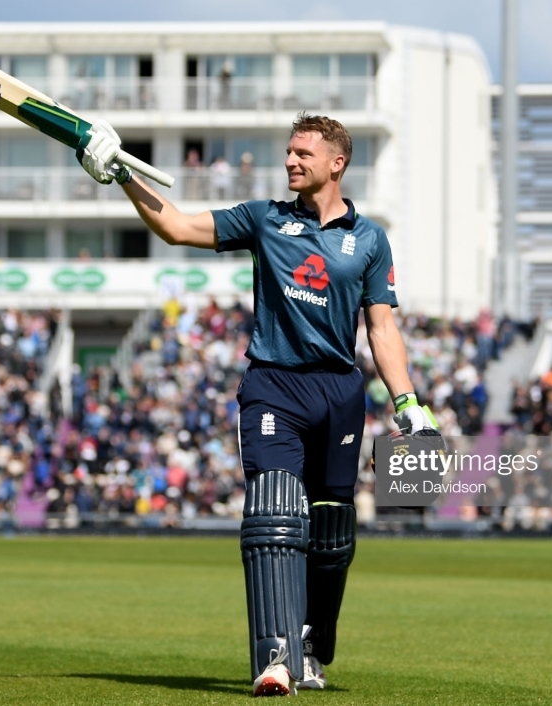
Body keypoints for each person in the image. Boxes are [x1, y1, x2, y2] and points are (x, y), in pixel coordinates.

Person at [77, 113, 440, 696]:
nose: (291, 161)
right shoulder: (264, 218)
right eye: (289, 152)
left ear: (336, 163)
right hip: (274, 384)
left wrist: (409, 404)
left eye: (303, 153)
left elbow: (382, 327)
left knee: (331, 538)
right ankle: (276, 654)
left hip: (341, 392)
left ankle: (313, 644)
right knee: (274, 513)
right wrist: (121, 172)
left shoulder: (368, 238)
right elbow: (175, 226)